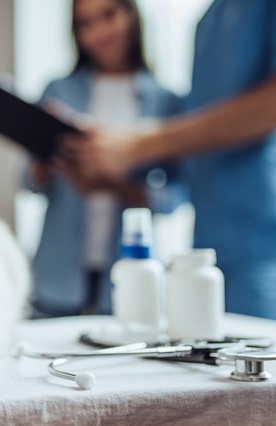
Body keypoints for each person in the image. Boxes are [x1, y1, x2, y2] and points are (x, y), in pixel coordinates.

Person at [66, 0, 276, 319]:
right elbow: (193, 155)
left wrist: (138, 146)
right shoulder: (207, 22)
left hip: (260, 243)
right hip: (208, 245)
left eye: (108, 16)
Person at [25, 0, 186, 318]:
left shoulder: (168, 102)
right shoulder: (58, 91)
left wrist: (115, 187)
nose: (98, 32)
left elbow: (177, 197)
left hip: (131, 278)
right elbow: (26, 180)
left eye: (108, 16)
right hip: (57, 274)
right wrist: (48, 162)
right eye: (85, 23)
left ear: (131, 15)